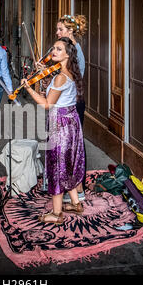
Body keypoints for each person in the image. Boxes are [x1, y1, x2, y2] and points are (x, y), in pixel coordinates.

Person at [21, 37, 85, 224]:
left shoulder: (60, 77)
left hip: (60, 125)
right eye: (54, 48)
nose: (53, 52)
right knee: (67, 164)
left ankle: (56, 214)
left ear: (67, 54)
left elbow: (47, 104)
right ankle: (75, 203)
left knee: (57, 165)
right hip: (71, 122)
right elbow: (55, 96)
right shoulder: (70, 73)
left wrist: (28, 88)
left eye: (58, 49)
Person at [55, 14, 88, 204]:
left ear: (70, 31)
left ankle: (78, 186)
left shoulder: (74, 51)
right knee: (70, 144)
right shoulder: (69, 49)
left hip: (73, 102)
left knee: (74, 145)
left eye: (60, 29)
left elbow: (69, 78)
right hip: (70, 100)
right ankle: (72, 185)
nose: (57, 32)